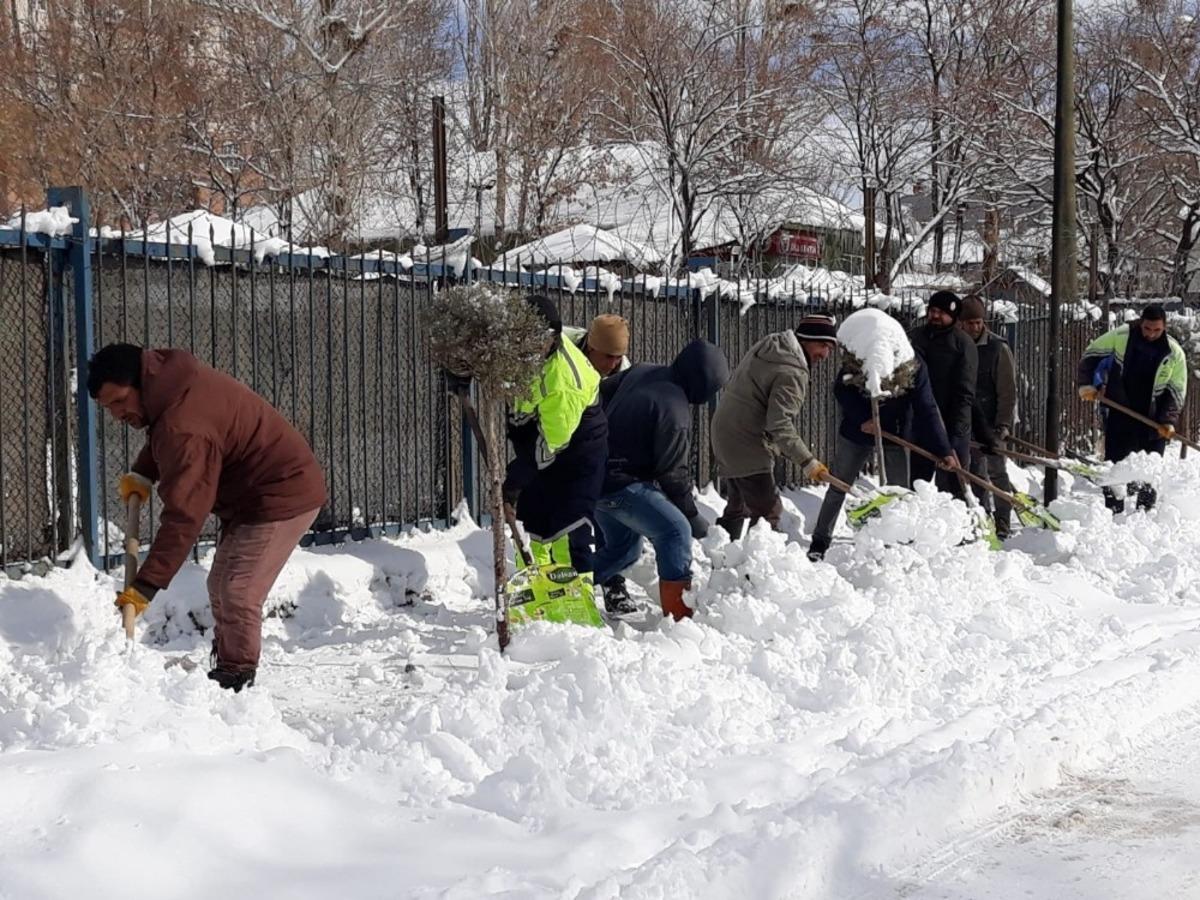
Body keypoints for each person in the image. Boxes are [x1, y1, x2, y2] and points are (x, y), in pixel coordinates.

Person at [87, 344, 326, 692]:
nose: (117, 414)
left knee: (238, 590)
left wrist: (145, 586)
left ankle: (236, 679)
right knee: (220, 584)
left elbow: (184, 516)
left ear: (141, 382)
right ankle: (229, 664)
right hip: (253, 494)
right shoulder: (172, 387)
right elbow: (166, 431)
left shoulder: (183, 424)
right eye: (109, 407)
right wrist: (143, 472)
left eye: (120, 401)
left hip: (281, 494)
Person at [592, 339, 729, 619]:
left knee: (624, 550)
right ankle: (679, 617)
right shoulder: (674, 410)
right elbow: (673, 474)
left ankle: (562, 588)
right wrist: (694, 519)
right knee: (675, 531)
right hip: (620, 484)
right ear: (703, 384)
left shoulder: (643, 370)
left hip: (594, 476)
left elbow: (602, 390)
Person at [808, 320, 957, 561]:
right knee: (839, 485)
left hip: (895, 434)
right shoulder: (862, 356)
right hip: (857, 432)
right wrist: (863, 419)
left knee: (899, 494)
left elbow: (927, 408)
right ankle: (820, 541)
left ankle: (897, 547)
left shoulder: (914, 366)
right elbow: (841, 389)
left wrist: (944, 449)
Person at [503, 295, 608, 604]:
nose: (535, 345)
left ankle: (574, 602)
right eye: (528, 337)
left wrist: (517, 477)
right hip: (542, 434)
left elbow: (551, 443)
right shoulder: (521, 353)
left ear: (554, 337)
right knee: (533, 520)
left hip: (579, 449)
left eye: (543, 339)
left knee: (568, 525)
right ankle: (538, 597)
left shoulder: (564, 381)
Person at [710, 314, 838, 538]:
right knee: (768, 511)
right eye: (822, 345)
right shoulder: (791, 371)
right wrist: (808, 462)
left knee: (739, 503)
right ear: (806, 340)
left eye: (829, 348)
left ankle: (722, 551)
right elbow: (779, 424)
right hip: (747, 440)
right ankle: (757, 559)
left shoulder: (772, 346)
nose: (825, 355)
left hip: (725, 431)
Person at [1076, 303, 1187, 512]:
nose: (1151, 334)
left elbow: (1176, 391)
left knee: (1150, 468)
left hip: (1154, 419)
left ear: (1164, 327)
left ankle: (1144, 513)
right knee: (1115, 465)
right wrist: (1088, 384)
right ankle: (1112, 510)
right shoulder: (1121, 336)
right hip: (1121, 409)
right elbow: (1091, 355)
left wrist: (1167, 421)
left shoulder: (1174, 353)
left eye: (1157, 330)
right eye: (1147, 328)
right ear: (1140, 323)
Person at [958, 296, 1018, 537]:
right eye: (970, 323)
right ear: (961, 323)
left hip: (992, 419)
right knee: (974, 473)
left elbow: (1007, 390)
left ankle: (1003, 519)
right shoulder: (957, 344)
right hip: (966, 420)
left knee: (997, 471)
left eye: (978, 322)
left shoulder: (997, 348)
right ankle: (982, 517)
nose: (975, 327)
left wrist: (1003, 423)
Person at [907, 291, 977, 497]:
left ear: (953, 316)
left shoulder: (962, 344)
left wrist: (956, 434)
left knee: (954, 487)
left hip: (951, 423)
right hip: (921, 424)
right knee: (917, 485)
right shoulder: (916, 338)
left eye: (941, 312)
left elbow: (965, 393)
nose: (935, 316)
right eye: (932, 311)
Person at [563, 314, 631, 377]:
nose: (612, 365)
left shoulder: (624, 374)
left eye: (619, 357)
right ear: (590, 347)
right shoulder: (564, 338)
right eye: (608, 356)